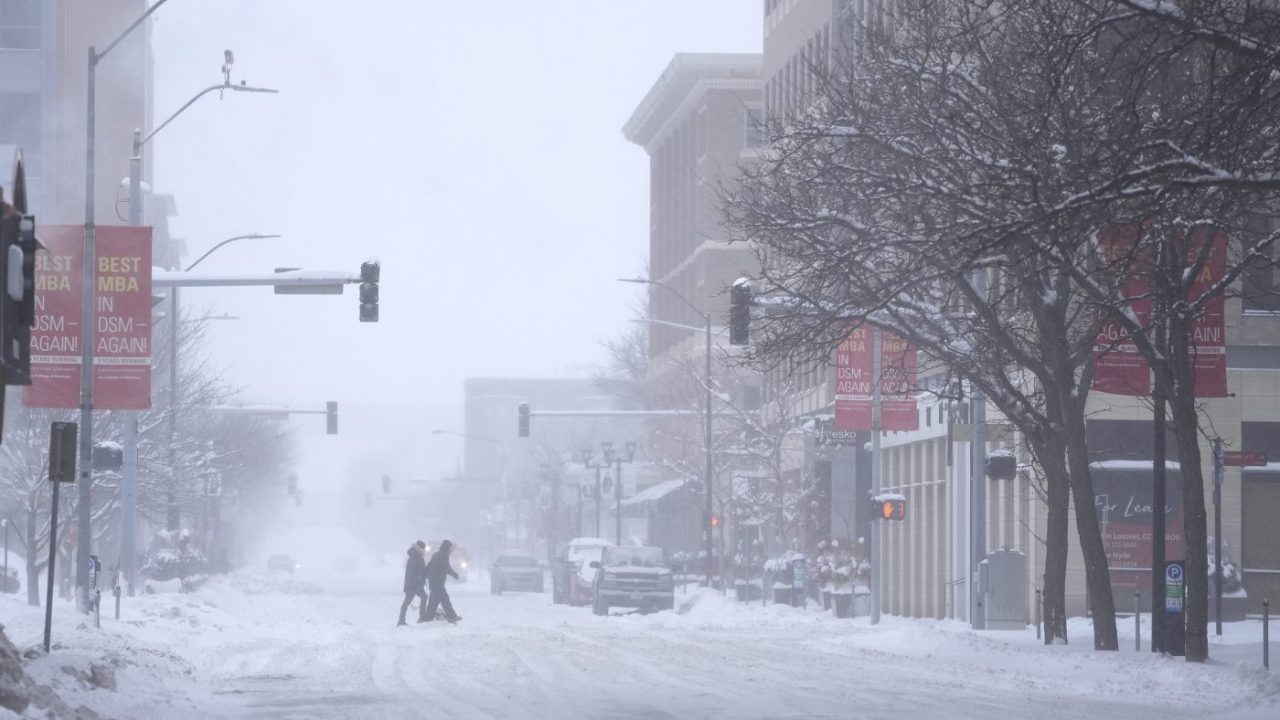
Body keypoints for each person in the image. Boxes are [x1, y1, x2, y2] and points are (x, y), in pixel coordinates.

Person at [423, 539, 462, 623]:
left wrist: (425, 575)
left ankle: (427, 618)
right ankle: (452, 616)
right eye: (450, 550)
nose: (451, 552)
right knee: (445, 599)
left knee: (433, 602)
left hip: (434, 582)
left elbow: (429, 566)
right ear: (447, 548)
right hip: (438, 583)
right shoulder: (443, 556)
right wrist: (455, 575)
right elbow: (447, 568)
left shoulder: (436, 554)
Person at [397, 540, 429, 626]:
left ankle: (402, 619)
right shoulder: (416, 557)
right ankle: (420, 618)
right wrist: (421, 578)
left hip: (412, 583)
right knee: (410, 600)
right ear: (421, 549)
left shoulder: (414, 555)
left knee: (408, 601)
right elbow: (419, 571)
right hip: (414, 584)